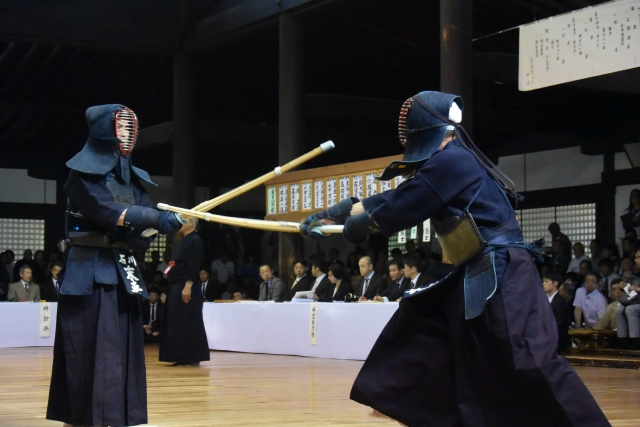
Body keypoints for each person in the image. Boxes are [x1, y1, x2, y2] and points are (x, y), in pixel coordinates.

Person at [300, 91, 609, 426]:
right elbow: (396, 197)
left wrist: (355, 225)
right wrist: (334, 213)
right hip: (479, 272)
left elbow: (401, 205)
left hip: (503, 271)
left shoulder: (452, 162)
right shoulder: (446, 163)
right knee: (440, 337)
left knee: (529, 360)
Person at [46, 104, 183, 427]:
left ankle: (116, 417)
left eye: (129, 128)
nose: (126, 134)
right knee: (88, 349)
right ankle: (81, 418)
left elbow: (142, 219)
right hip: (88, 270)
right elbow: (110, 213)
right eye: (120, 127)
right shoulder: (81, 176)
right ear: (104, 130)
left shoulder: (131, 179)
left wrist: (160, 225)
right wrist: (156, 218)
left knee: (122, 351)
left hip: (122, 269)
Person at [159, 217, 210, 366]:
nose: (178, 225)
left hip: (186, 284)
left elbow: (194, 263)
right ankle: (179, 355)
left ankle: (191, 356)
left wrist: (188, 284)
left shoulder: (196, 240)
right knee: (176, 322)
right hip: (175, 285)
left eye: (181, 221)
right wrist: (169, 271)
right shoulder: (182, 241)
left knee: (188, 321)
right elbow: (174, 261)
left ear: (189, 223)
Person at [542, 272, 570, 353]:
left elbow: (559, 325)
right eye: (543, 281)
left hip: (555, 342)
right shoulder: (542, 299)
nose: (543, 284)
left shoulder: (561, 302)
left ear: (555, 283)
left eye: (546, 281)